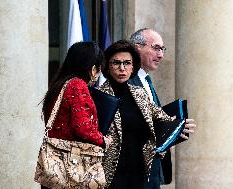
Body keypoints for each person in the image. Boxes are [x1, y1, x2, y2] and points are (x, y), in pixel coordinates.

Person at [98, 40, 195, 189]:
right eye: (116, 63)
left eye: (127, 63)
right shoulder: (99, 97)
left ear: (133, 67)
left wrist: (179, 126)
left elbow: (162, 118)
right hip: (110, 176)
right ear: (108, 66)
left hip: (141, 173)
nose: (122, 68)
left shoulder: (139, 93)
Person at [40, 42, 112, 189]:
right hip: (73, 166)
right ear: (93, 69)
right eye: (99, 70)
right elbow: (82, 128)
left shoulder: (60, 84)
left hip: (55, 165)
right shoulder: (77, 85)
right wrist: (103, 140)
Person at [129, 28, 191, 189]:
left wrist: (174, 131)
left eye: (162, 49)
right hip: (135, 172)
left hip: (153, 170)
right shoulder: (127, 81)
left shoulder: (145, 80)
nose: (161, 55)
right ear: (137, 47)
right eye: (156, 48)